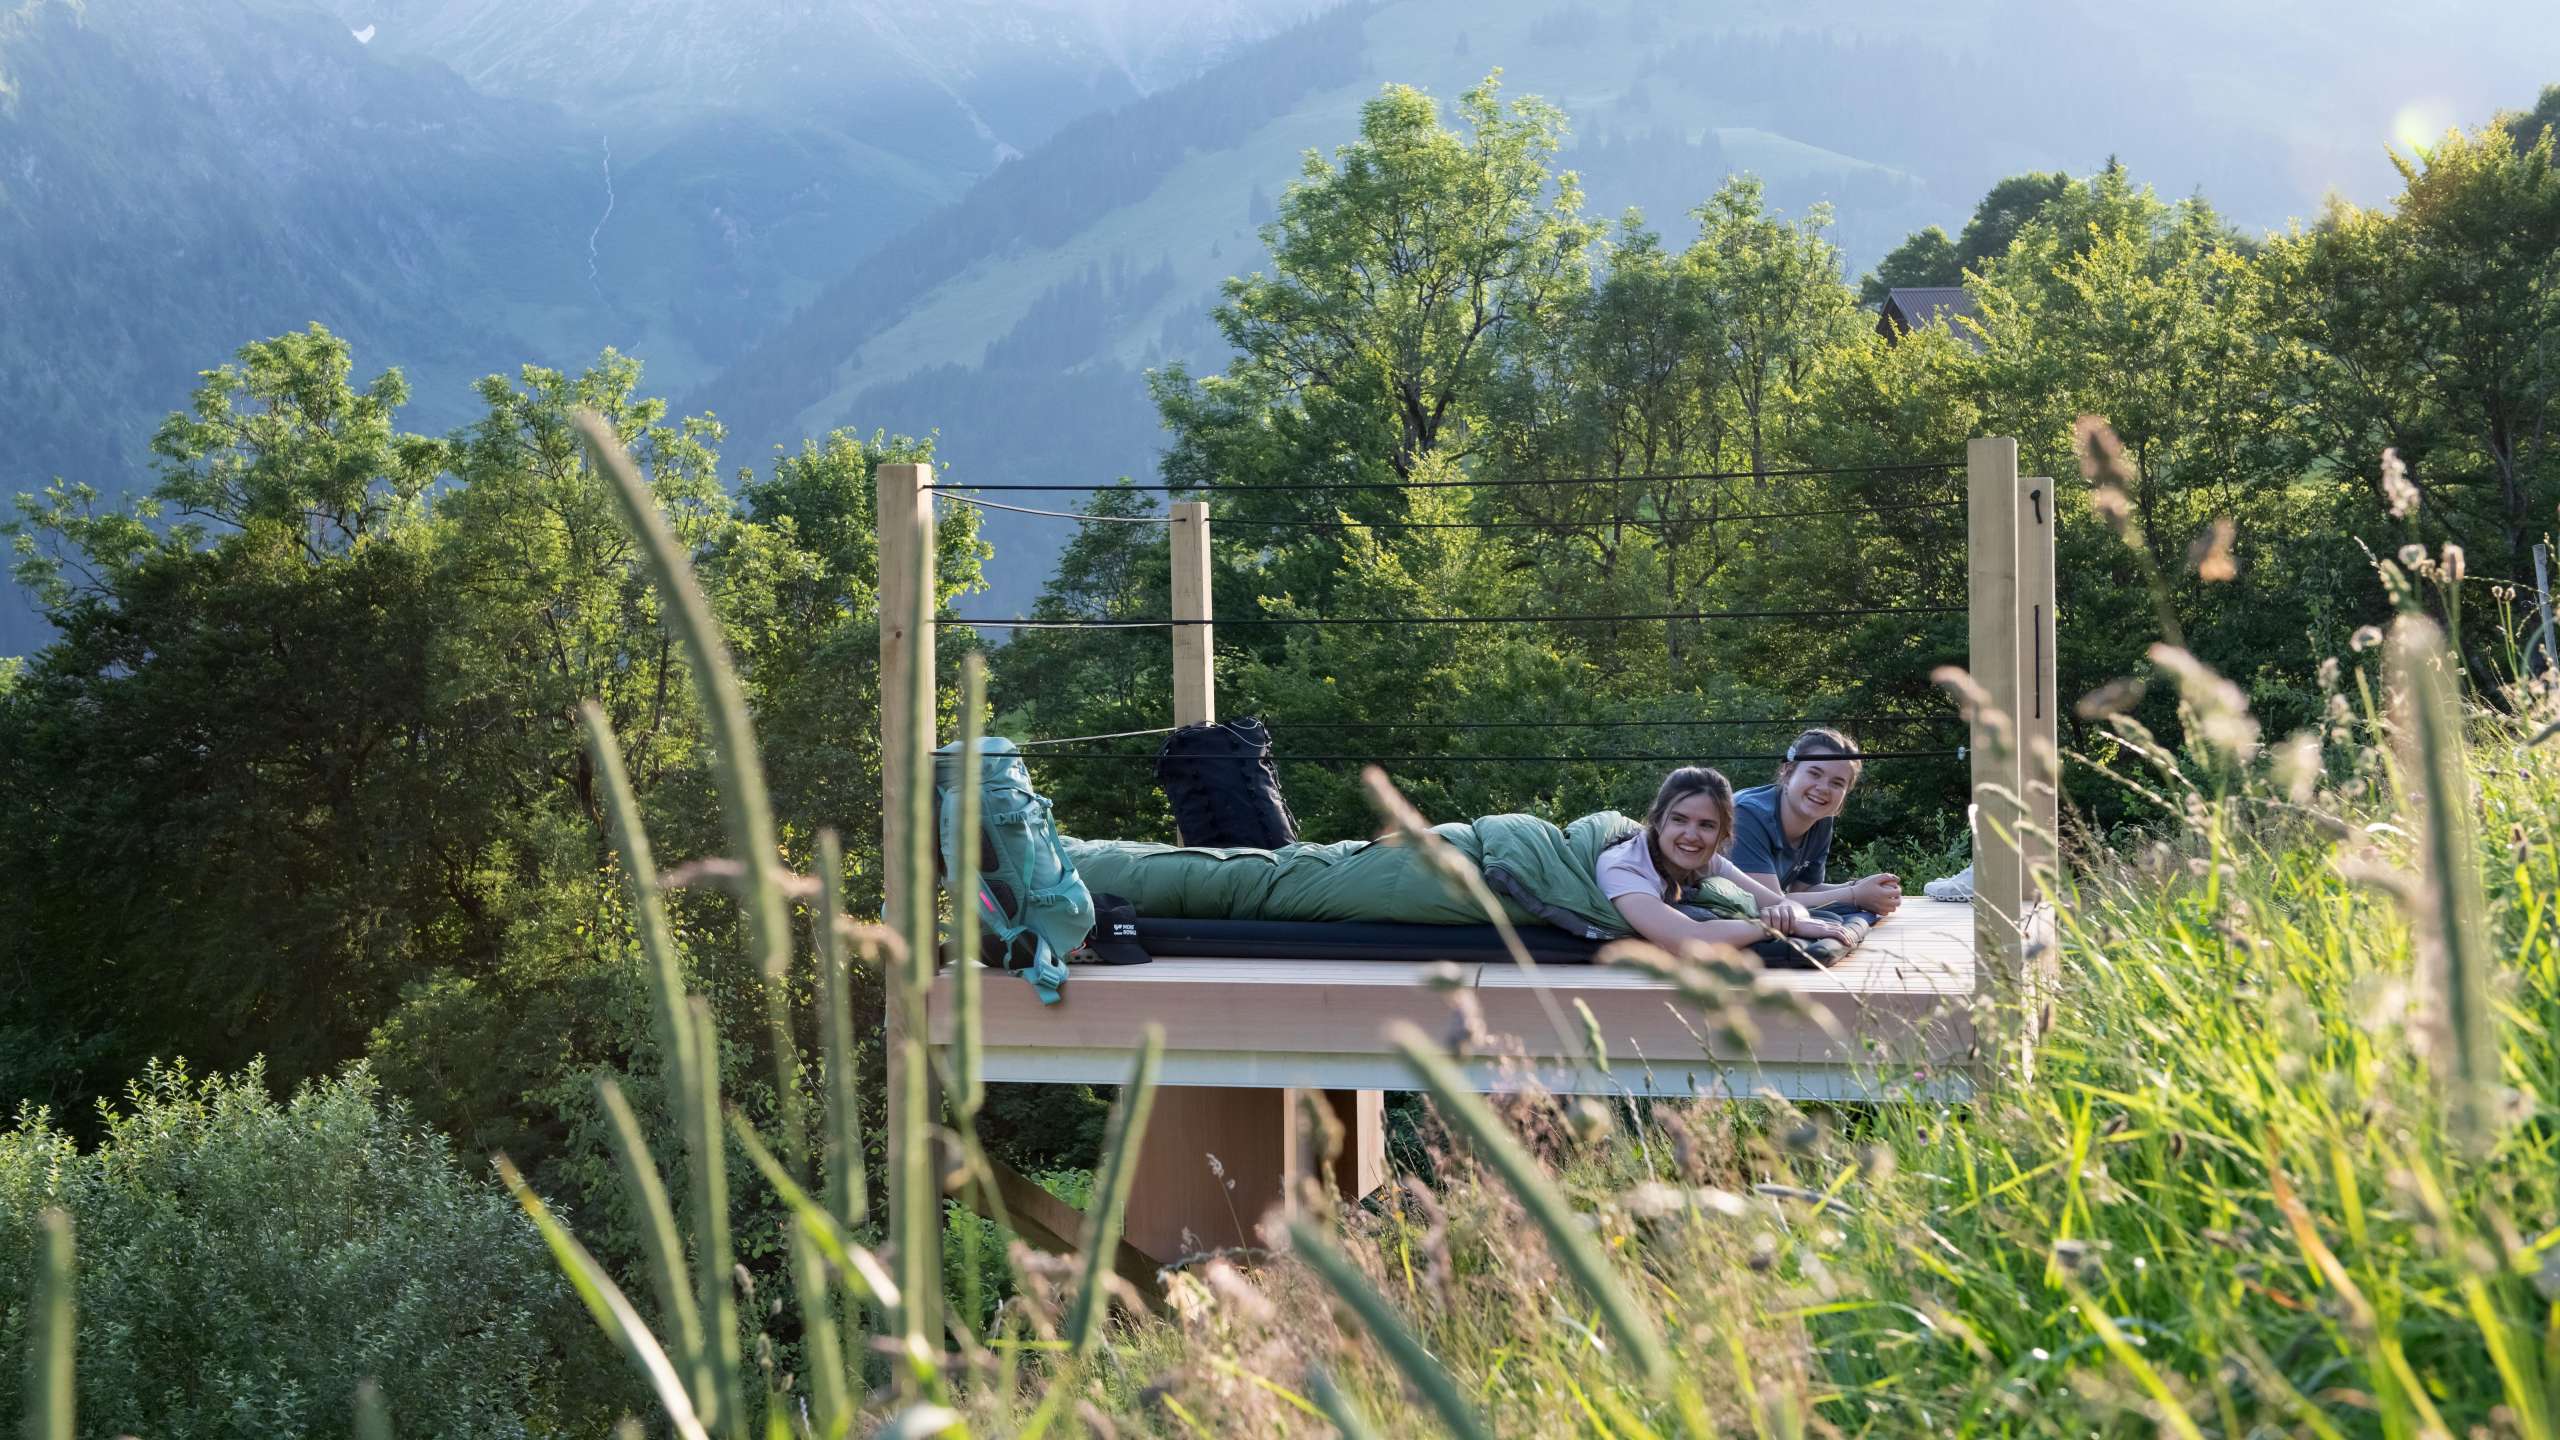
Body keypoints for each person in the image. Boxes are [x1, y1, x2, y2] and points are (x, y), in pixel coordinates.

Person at [1596, 765, 1855, 952]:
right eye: (1679, 819)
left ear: (1723, 834)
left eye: (1707, 825)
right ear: (1657, 819)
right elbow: (1687, 940)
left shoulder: (1708, 862)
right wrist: (1774, 926)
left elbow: (1785, 903)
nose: (1691, 835)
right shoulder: (1624, 866)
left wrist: (1790, 916)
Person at [1728, 728, 1903, 915]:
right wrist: (1855, 894)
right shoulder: (1745, 815)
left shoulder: (1821, 822)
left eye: (1837, 783)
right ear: (1788, 772)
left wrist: (1861, 886)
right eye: (1814, 774)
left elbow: (1803, 892)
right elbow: (1769, 901)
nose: (1823, 788)